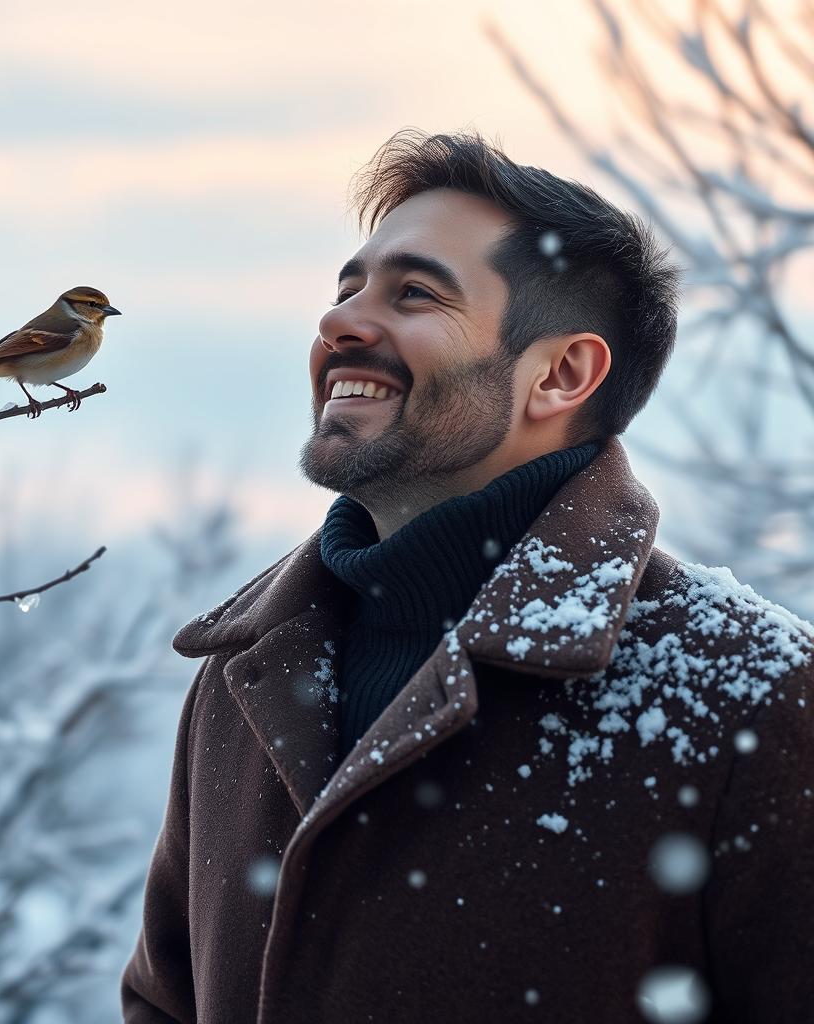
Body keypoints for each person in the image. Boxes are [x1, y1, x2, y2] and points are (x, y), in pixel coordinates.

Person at [120, 129, 814, 1023]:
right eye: (346, 288)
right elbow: (164, 1003)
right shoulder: (248, 671)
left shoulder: (752, 694)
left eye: (414, 293)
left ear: (562, 373)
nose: (340, 322)